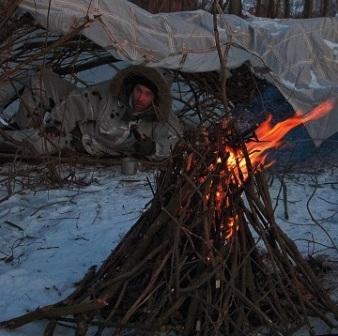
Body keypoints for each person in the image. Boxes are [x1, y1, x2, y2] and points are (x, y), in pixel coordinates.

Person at [0, 65, 183, 159]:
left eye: (148, 94)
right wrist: (57, 124)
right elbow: (79, 103)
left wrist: (153, 148)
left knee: (36, 144)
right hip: (74, 126)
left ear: (156, 98)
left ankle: (11, 140)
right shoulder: (110, 95)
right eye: (138, 91)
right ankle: (19, 128)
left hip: (80, 141)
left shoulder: (162, 118)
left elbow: (173, 142)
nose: (140, 98)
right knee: (41, 81)